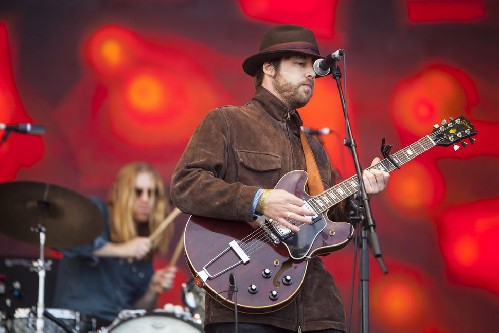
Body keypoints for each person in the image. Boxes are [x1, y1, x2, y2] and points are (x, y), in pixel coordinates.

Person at [170, 24, 390, 333]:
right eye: (299, 64)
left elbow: (334, 221)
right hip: (244, 300)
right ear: (269, 67)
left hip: (317, 309)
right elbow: (185, 186)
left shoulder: (313, 148)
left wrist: (362, 193)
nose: (311, 73)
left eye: (312, 66)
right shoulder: (228, 121)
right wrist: (259, 200)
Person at [53, 161, 177, 329]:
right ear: (122, 193)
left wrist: (152, 289)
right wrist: (121, 250)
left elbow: (138, 312)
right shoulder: (97, 213)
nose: (146, 199)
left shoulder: (144, 245)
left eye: (152, 193)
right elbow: (63, 238)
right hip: (77, 323)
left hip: (119, 327)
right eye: (138, 192)